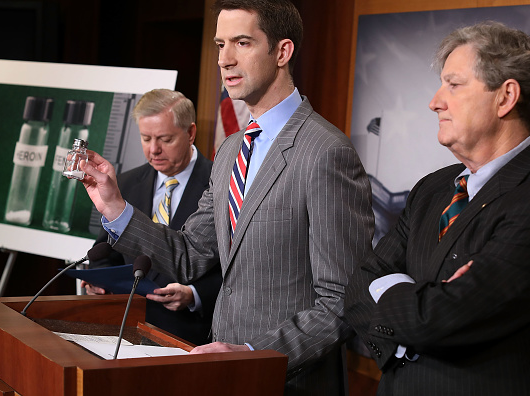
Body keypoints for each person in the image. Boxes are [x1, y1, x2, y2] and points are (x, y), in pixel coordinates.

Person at [78, 0, 374, 394]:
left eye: (242, 43)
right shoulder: (232, 149)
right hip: (220, 373)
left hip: (288, 380)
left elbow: (341, 301)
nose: (225, 59)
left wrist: (252, 352)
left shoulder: (326, 151)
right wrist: (113, 206)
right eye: (220, 45)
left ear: (282, 52)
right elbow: (188, 255)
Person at [346, 21, 530, 395]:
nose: (435, 101)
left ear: (505, 97)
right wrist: (409, 323)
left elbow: (438, 318)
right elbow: (358, 286)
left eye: (453, 85)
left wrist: (391, 289)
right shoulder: (433, 188)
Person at [83, 89, 221, 346]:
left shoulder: (220, 183)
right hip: (127, 330)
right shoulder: (125, 183)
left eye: (165, 139)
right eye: (146, 139)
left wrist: (195, 294)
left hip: (190, 334)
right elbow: (104, 252)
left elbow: (235, 264)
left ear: (190, 133)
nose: (154, 149)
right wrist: (96, 281)